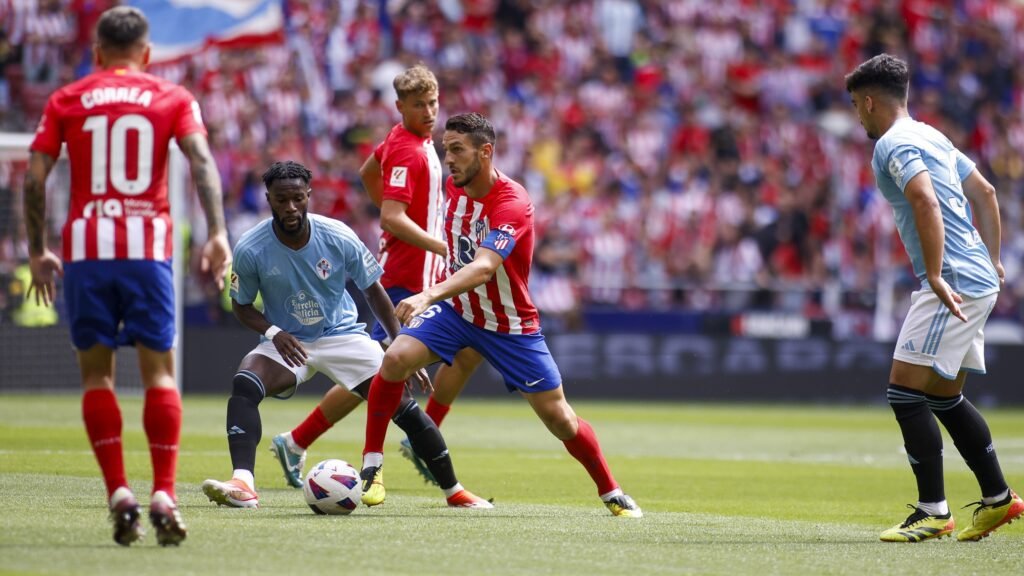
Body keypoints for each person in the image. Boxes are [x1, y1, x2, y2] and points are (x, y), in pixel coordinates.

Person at [357, 113, 642, 517]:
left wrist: (428, 293)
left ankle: (612, 491)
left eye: (457, 150)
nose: (449, 159)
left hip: (509, 325)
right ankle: (372, 465)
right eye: (445, 150)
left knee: (560, 419)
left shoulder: (513, 202)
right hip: (456, 313)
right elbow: (381, 185)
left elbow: (485, 267)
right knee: (395, 358)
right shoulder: (453, 190)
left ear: (485, 151)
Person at [23, 6, 231, 547]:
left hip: (87, 250)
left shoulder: (66, 98)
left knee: (97, 378)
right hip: (147, 251)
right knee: (160, 375)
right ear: (145, 53)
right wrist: (216, 232)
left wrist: (38, 250)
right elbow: (202, 162)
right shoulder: (172, 97)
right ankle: (163, 490)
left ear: (96, 53)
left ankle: (119, 491)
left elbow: (35, 176)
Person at [200, 161, 491, 510]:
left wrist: (401, 351)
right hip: (288, 341)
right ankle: (242, 483)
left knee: (405, 408)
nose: (290, 208)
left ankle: (454, 491)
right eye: (281, 200)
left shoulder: (337, 236)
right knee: (246, 382)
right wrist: (273, 332)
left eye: (297, 198)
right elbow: (242, 306)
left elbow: (375, 292)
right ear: (269, 200)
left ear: (308, 195)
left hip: (343, 336)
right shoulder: (251, 247)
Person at [270, 65, 484, 488]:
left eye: (433, 103)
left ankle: (304, 440)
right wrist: (438, 244)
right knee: (378, 374)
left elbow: (369, 171)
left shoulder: (409, 140)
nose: (428, 111)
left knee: (461, 353)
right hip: (409, 276)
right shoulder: (408, 149)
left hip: (421, 272)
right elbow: (391, 214)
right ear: (400, 106)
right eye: (419, 105)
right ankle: (303, 441)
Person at [846, 54, 1023, 542]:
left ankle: (933, 510)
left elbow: (923, 198)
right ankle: (997, 500)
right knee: (944, 397)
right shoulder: (931, 135)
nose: (857, 118)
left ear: (867, 102)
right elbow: (985, 192)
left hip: (952, 279)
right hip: (977, 275)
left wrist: (934, 273)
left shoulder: (892, 143)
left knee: (904, 390)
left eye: (856, 109)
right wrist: (994, 258)